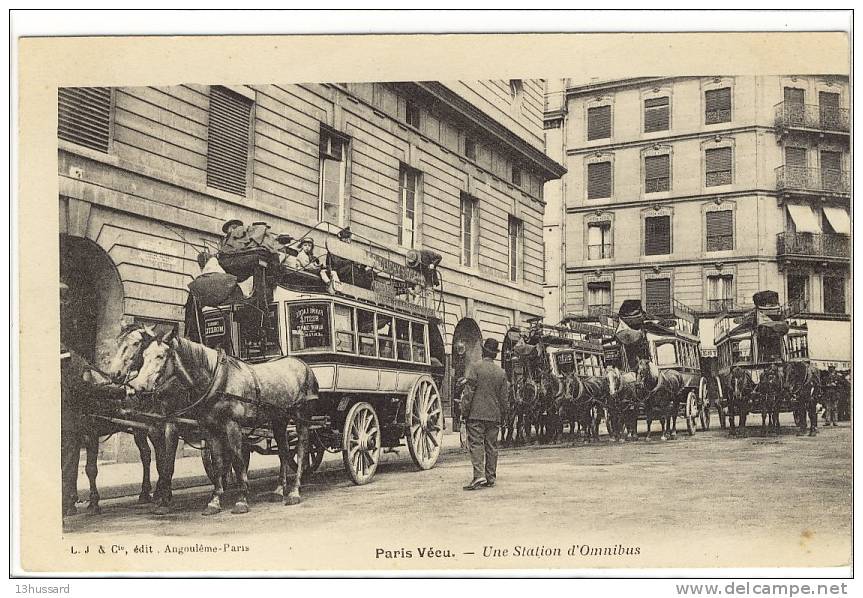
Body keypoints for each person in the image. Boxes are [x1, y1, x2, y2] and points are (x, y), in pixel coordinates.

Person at [460, 338, 509, 491]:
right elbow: (504, 399)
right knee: (492, 446)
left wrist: (464, 412)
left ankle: (478, 475)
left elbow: (468, 394)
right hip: (494, 416)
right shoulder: (501, 372)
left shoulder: (475, 368)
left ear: (483, 351)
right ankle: (490, 477)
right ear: (495, 355)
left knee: (476, 444)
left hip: (476, 414)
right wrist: (503, 415)